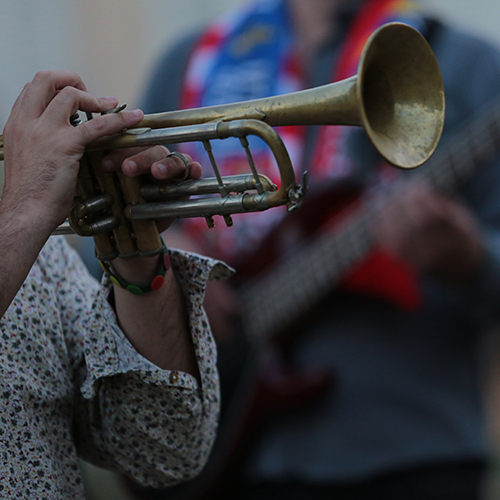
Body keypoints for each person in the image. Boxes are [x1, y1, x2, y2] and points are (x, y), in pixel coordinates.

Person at [139, 0, 500, 498]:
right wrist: (156, 252)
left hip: (416, 455)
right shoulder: (190, 64)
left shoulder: (471, 65)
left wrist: (471, 260)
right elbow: (103, 244)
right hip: (227, 459)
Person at [0, 69, 231, 499]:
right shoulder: (18, 214)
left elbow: (164, 449)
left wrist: (136, 249)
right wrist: (25, 211)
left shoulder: (39, 253)